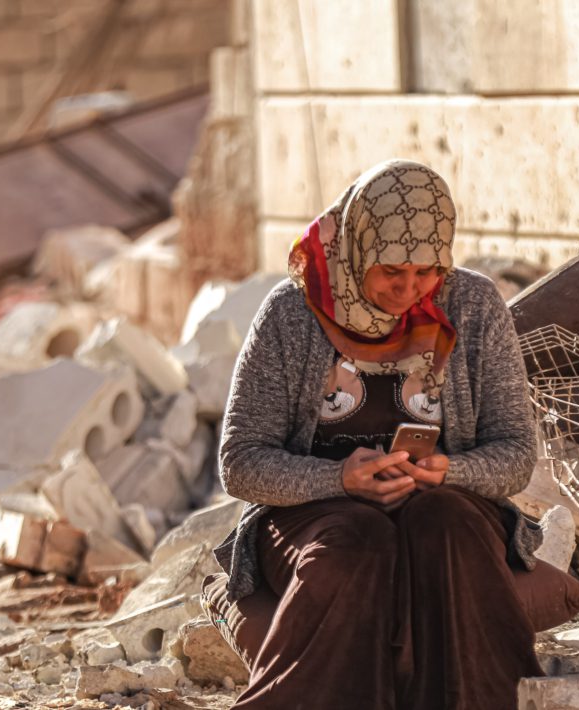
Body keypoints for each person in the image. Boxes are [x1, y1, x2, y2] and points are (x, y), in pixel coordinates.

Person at [215, 159, 545, 709]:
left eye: (427, 273)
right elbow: (240, 461)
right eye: (392, 270)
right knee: (356, 543)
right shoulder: (292, 312)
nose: (408, 289)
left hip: (441, 499)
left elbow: (515, 452)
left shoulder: (475, 304)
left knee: (448, 525)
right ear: (359, 245)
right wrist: (338, 479)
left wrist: (449, 469)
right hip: (315, 511)